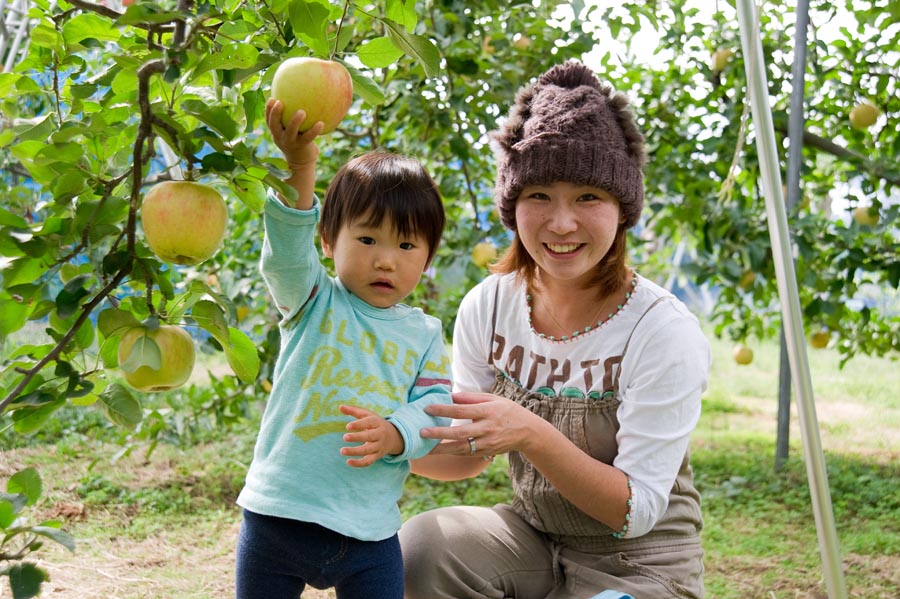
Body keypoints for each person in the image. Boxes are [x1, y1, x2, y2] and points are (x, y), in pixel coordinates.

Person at [399, 60, 711, 599]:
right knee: (424, 546)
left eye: (588, 197)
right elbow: (468, 454)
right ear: (513, 206)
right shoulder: (489, 306)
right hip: (534, 540)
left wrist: (529, 432)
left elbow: (634, 511)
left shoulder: (661, 330)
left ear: (621, 209)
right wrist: (384, 440)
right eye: (539, 195)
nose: (562, 223)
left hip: (640, 562)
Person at [235, 99, 452, 599]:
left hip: (369, 530)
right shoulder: (313, 300)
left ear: (427, 257)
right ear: (329, 241)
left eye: (406, 246)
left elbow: (435, 414)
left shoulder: (423, 333)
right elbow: (286, 255)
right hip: (279, 517)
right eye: (368, 238)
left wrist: (398, 433)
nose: (385, 260)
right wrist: (300, 166)